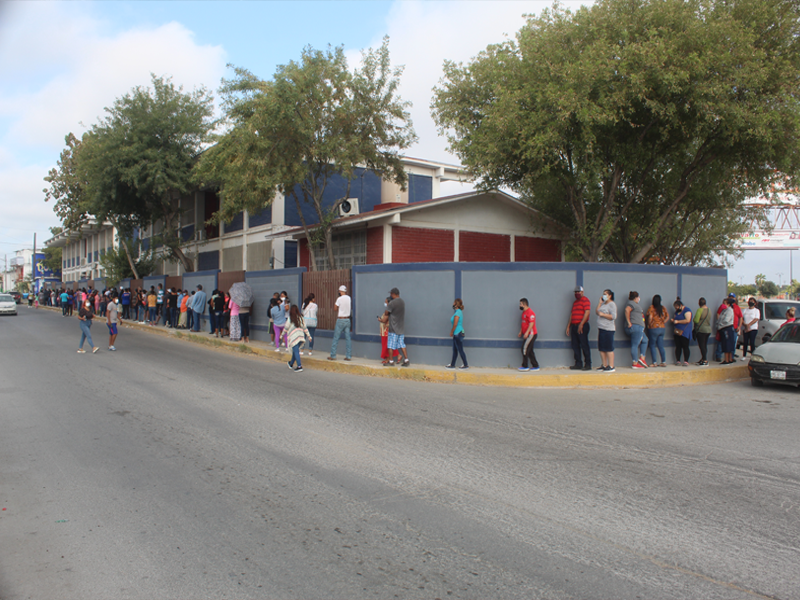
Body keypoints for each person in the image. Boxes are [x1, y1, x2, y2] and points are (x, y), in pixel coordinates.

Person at [382, 287, 409, 366]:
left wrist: (387, 307)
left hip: (393, 328)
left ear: (393, 294)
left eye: (391, 294)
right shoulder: (402, 302)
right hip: (401, 328)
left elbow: (387, 313)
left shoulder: (392, 303)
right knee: (402, 344)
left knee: (390, 345)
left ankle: (391, 361)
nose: (390, 295)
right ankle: (406, 360)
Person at [566, 285, 591, 370]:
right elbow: (572, 315)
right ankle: (578, 363)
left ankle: (588, 364)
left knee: (584, 345)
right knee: (575, 345)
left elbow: (587, 312)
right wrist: (568, 326)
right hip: (574, 326)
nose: (577, 293)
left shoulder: (585, 300)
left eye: (578, 292)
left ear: (582, 292)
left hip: (582, 326)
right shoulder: (575, 302)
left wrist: (581, 324)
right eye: (575, 292)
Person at [624, 291, 648, 369]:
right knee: (635, 344)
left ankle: (642, 358)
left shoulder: (635, 305)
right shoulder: (631, 303)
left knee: (645, 340)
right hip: (636, 327)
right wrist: (629, 322)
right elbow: (627, 310)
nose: (639, 299)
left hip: (639, 327)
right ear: (636, 297)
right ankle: (635, 362)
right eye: (638, 297)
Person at [329, 285, 353, 361]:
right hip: (347, 320)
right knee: (348, 338)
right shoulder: (349, 298)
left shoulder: (339, 299)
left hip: (341, 320)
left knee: (336, 338)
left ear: (340, 291)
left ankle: (333, 355)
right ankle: (348, 356)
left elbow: (335, 308)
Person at [285, 305, 312, 372]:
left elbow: (286, 327)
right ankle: (291, 363)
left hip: (294, 338)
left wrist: (282, 335)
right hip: (301, 337)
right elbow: (305, 328)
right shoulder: (301, 318)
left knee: (296, 351)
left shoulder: (290, 318)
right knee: (295, 351)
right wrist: (309, 336)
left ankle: (299, 366)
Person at [595, 289, 617, 372]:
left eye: (605, 294)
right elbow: (597, 312)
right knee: (602, 348)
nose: (603, 295)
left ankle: (611, 366)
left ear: (610, 295)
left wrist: (603, 315)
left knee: (608, 348)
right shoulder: (603, 304)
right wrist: (600, 303)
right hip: (601, 328)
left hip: (608, 329)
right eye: (603, 294)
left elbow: (613, 316)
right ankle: (604, 365)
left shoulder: (612, 304)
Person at [646, 295, 669, 367]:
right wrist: (663, 322)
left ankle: (654, 362)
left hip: (653, 328)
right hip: (662, 328)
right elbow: (667, 316)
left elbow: (650, 317)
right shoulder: (663, 308)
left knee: (652, 345)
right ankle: (663, 361)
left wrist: (649, 324)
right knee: (661, 346)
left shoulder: (651, 308)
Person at [446, 298, 469, 370]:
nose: (452, 304)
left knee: (460, 349)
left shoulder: (458, 312)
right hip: (458, 333)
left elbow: (455, 324)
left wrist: (451, 332)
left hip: (458, 333)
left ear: (456, 304)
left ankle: (465, 365)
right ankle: (452, 365)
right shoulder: (458, 312)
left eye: (454, 303)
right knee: (455, 350)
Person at [517, 298, 538, 371]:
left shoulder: (530, 313)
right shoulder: (524, 312)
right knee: (530, 351)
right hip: (527, 334)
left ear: (524, 304)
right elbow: (523, 323)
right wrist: (521, 331)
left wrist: (526, 333)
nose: (519, 305)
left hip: (531, 334)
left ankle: (525, 366)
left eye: (520, 304)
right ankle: (535, 366)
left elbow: (531, 323)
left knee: (524, 348)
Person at [670, 298, 693, 365]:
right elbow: (675, 318)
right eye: (675, 307)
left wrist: (678, 321)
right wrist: (673, 321)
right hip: (677, 331)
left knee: (685, 346)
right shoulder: (676, 312)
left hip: (685, 331)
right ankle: (678, 360)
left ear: (681, 305)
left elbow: (688, 320)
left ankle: (686, 360)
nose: (676, 308)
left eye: (677, 307)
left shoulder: (687, 310)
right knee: (678, 346)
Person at [379, 296, 399, 365]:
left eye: (386, 302)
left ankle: (389, 358)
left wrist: (380, 320)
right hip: (385, 331)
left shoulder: (388, 311)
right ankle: (396, 356)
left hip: (386, 331)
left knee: (386, 345)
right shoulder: (390, 310)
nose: (385, 303)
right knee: (387, 345)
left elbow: (385, 320)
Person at [693, 297, 712, 366]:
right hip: (708, 329)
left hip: (701, 330)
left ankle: (705, 360)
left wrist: (694, 319)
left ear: (699, 303)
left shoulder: (699, 310)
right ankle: (703, 358)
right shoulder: (709, 310)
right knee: (705, 345)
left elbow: (696, 320)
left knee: (702, 346)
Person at [716, 297, 736, 364]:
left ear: (728, 304)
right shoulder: (724, 310)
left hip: (727, 328)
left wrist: (720, 324)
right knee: (724, 345)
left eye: (724, 303)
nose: (723, 305)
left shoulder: (730, 310)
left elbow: (726, 320)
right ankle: (728, 359)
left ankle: (727, 360)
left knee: (727, 345)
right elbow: (719, 318)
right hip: (723, 329)